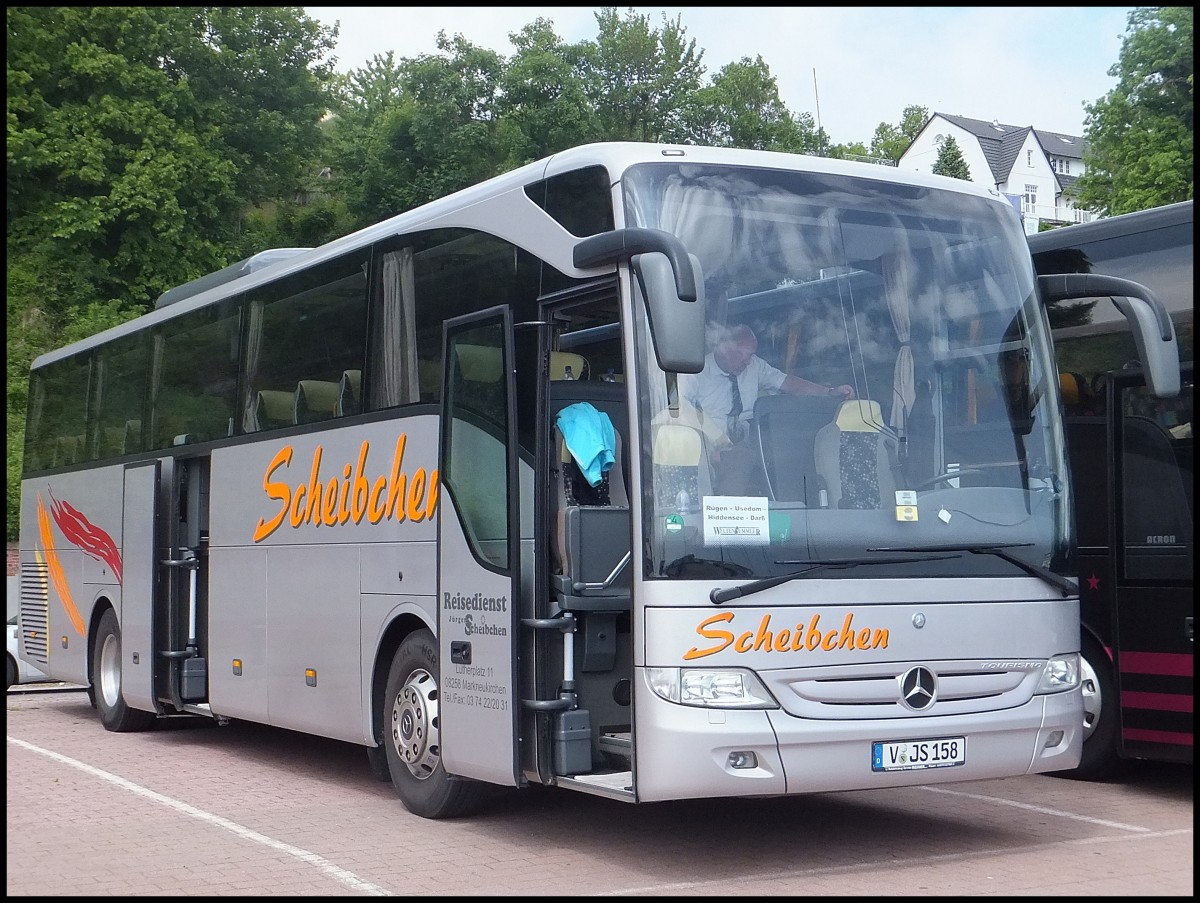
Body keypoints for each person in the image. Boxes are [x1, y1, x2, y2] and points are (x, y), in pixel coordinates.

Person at [678, 323, 855, 494]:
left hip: (755, 445)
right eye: (742, 354)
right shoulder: (696, 372)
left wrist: (829, 392)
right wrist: (714, 447)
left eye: (751, 355)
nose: (747, 361)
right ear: (723, 348)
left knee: (788, 453)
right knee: (738, 460)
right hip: (712, 448)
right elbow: (680, 408)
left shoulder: (755, 365)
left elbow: (788, 383)